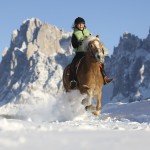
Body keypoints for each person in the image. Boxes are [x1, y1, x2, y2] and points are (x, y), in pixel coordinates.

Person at [70, 17, 112, 88]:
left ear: (84, 25)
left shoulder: (87, 32)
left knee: (99, 62)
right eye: (79, 24)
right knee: (74, 64)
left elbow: (90, 40)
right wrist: (78, 43)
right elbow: (74, 44)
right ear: (76, 25)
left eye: (82, 24)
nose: (81, 26)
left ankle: (104, 77)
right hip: (80, 53)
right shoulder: (75, 34)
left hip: (88, 52)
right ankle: (74, 80)